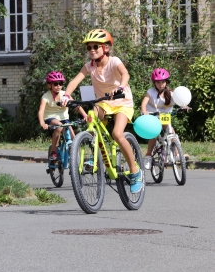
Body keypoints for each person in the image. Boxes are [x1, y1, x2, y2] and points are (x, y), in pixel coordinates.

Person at [61, 29, 143, 194]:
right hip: (103, 103)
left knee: (117, 134)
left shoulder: (114, 61)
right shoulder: (89, 66)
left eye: (95, 47)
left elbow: (125, 74)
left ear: (105, 48)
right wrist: (67, 95)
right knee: (90, 118)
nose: (91, 50)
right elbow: (75, 80)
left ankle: (135, 171)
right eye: (89, 47)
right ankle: (92, 155)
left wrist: (121, 86)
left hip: (122, 102)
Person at [140, 68, 187, 169]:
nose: (160, 84)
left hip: (164, 116)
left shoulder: (172, 93)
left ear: (166, 82)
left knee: (171, 131)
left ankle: (177, 154)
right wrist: (144, 112)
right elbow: (143, 104)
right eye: (158, 82)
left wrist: (184, 106)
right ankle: (148, 156)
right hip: (151, 115)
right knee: (154, 134)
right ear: (154, 83)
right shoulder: (150, 92)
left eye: (163, 82)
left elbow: (181, 102)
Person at [38, 71, 87, 165]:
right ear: (49, 85)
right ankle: (53, 151)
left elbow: (76, 106)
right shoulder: (45, 97)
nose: (58, 86)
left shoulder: (65, 95)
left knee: (74, 139)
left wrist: (85, 115)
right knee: (60, 126)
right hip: (50, 118)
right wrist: (42, 123)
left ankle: (75, 161)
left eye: (61, 83)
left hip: (64, 118)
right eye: (55, 84)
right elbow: (41, 111)